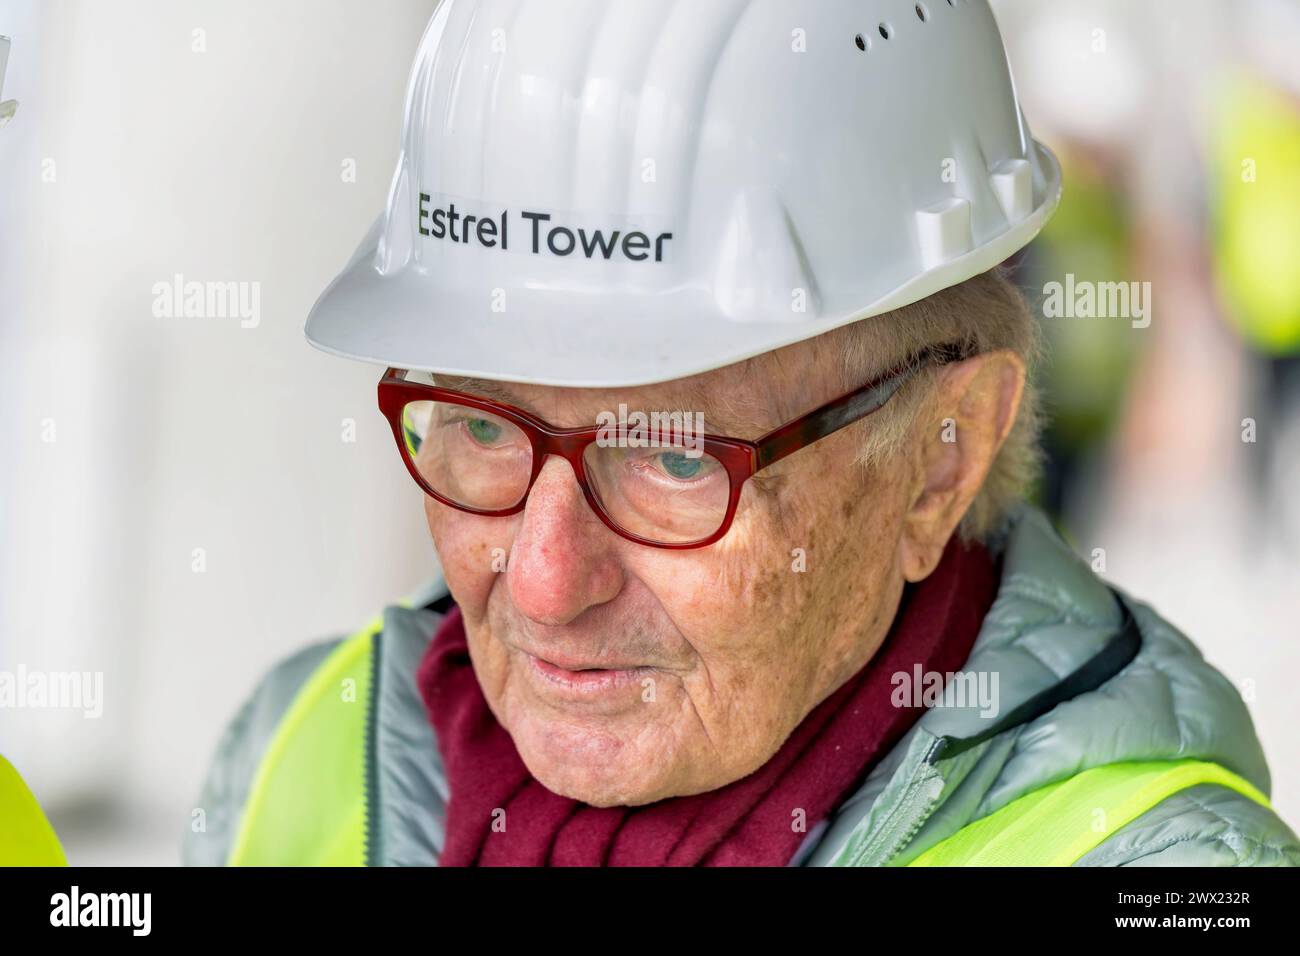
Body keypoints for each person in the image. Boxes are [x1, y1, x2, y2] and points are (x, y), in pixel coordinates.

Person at [182, 0, 1299, 867]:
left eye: (672, 456)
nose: (541, 581)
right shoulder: (303, 746)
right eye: (481, 423)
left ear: (938, 459)